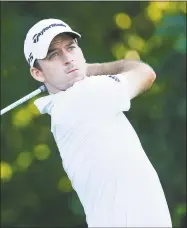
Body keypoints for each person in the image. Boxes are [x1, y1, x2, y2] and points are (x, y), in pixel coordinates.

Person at [24, 18, 172, 227]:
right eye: (53, 55)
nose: (68, 59)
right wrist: (96, 68)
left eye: (71, 47)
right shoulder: (85, 95)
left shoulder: (63, 107)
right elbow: (145, 73)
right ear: (38, 73)